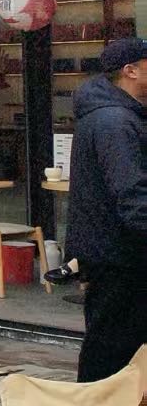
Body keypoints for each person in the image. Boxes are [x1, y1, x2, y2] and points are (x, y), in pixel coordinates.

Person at [66, 37, 147, 382]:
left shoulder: (121, 115)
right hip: (119, 256)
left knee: (119, 348)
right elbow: (133, 195)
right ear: (130, 71)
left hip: (116, 252)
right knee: (111, 351)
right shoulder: (114, 121)